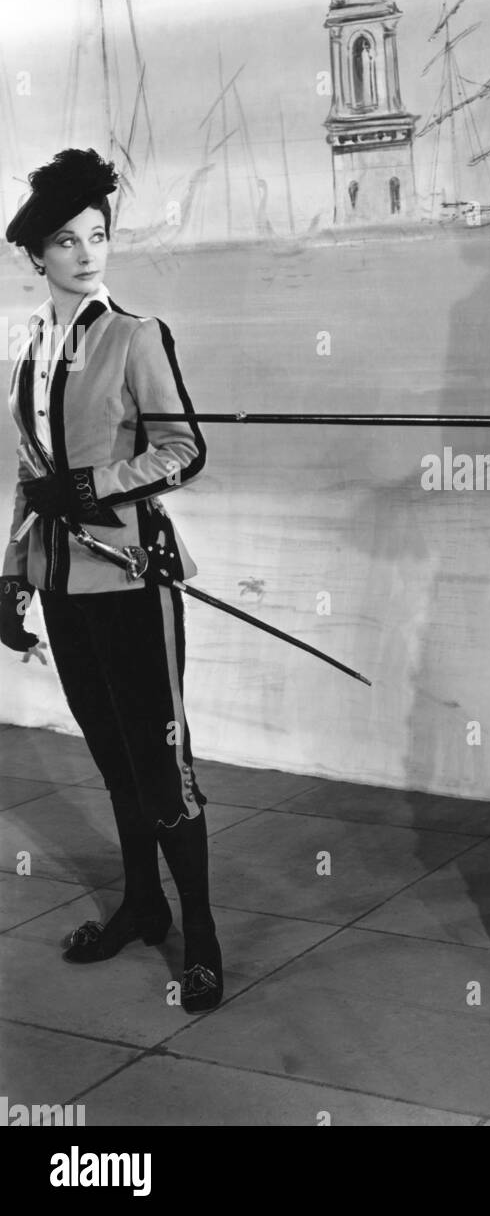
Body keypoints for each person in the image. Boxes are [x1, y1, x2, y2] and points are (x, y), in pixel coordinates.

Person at [0, 148, 223, 1013]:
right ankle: (142, 904)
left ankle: (200, 939)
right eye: (67, 241)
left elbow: (183, 449)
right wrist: (13, 575)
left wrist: (92, 487)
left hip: (132, 579)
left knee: (163, 763)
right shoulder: (27, 350)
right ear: (37, 256)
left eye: (98, 236)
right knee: (111, 755)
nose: (88, 254)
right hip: (63, 583)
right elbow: (25, 477)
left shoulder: (135, 336)